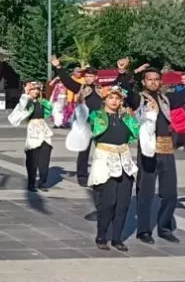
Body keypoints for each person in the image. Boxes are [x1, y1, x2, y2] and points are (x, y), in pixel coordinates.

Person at [121, 63, 185, 244]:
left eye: (156, 79)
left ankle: (164, 228)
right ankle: (144, 231)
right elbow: (124, 90)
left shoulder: (167, 99)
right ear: (144, 82)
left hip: (166, 150)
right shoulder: (138, 99)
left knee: (170, 194)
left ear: (161, 81)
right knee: (145, 193)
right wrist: (123, 72)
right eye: (149, 79)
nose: (153, 82)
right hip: (148, 151)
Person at [66, 86, 139, 251]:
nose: (114, 101)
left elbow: (141, 133)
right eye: (111, 97)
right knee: (108, 203)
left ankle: (117, 238)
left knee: (123, 204)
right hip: (105, 162)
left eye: (118, 98)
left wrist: (150, 115)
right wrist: (80, 105)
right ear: (104, 99)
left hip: (124, 162)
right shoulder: (96, 116)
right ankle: (101, 235)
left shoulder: (127, 118)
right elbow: (79, 124)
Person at [52, 57, 144, 186]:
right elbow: (67, 82)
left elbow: (118, 83)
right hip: (87, 124)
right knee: (83, 151)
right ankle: (82, 177)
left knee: (104, 150)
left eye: (91, 76)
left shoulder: (102, 90)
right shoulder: (81, 88)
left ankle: (107, 172)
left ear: (95, 77)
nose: (89, 78)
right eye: (87, 76)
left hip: (101, 123)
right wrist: (59, 67)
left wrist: (126, 72)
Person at [8, 82, 54, 192]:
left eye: (37, 89)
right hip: (33, 132)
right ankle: (31, 183)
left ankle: (43, 182)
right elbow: (21, 106)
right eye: (33, 89)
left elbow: (52, 108)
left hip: (44, 131)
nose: (36, 91)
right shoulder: (26, 103)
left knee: (45, 158)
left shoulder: (43, 102)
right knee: (32, 159)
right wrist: (25, 94)